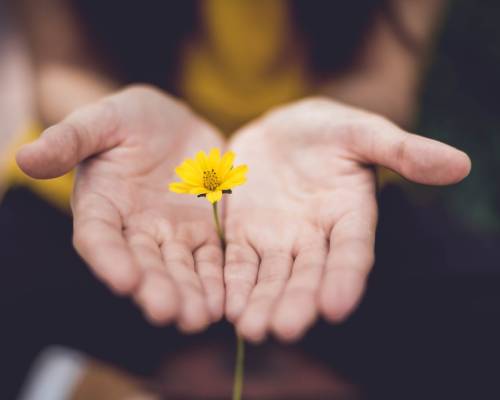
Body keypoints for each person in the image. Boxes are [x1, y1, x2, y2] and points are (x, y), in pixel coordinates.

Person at [2, 0, 498, 398]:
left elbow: (384, 78)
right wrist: (101, 120)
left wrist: (331, 121)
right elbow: (62, 64)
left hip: (318, 195)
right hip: (119, 192)